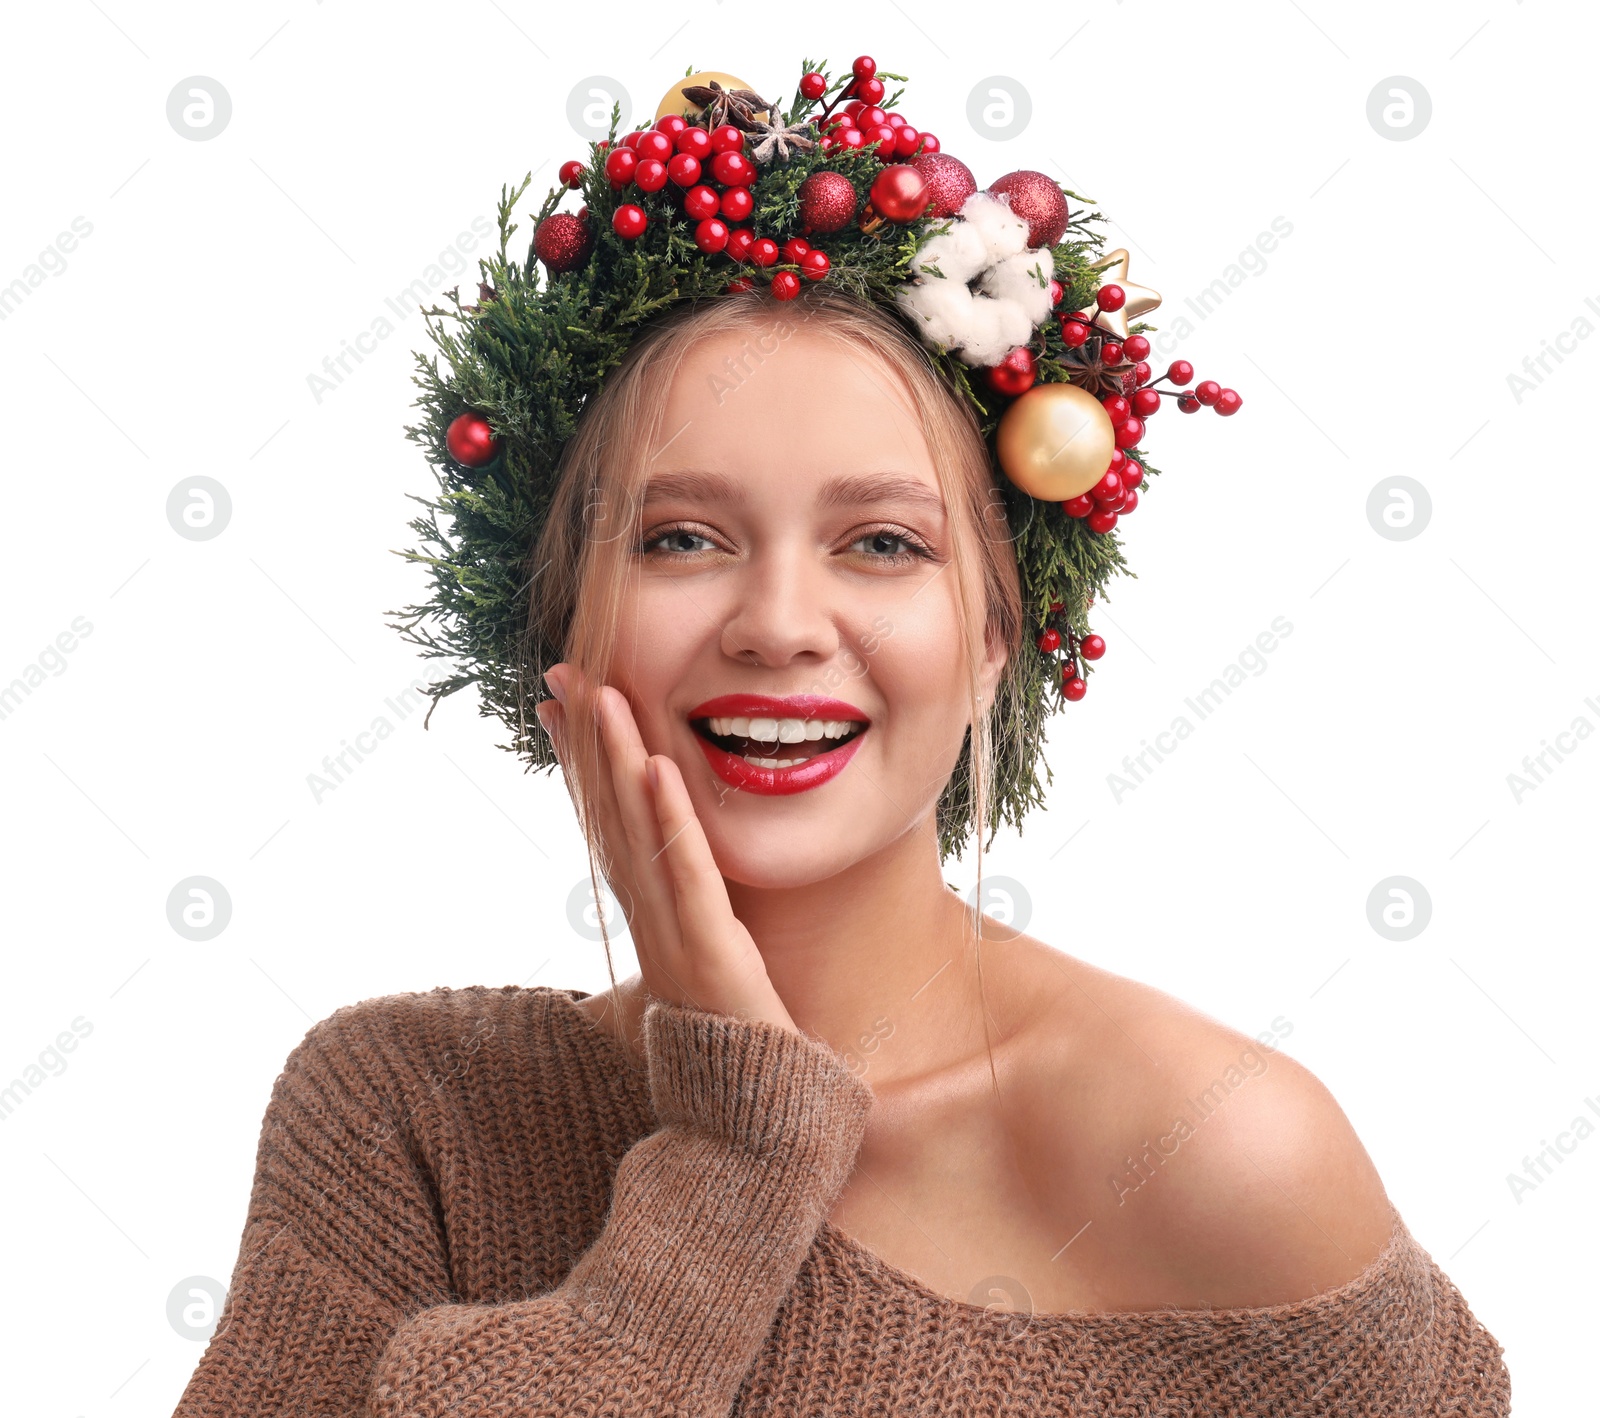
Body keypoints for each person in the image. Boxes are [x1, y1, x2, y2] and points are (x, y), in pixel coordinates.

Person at [171, 57, 1512, 1418]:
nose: (778, 624)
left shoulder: (1217, 1149)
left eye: (882, 543)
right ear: (556, 624)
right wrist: (737, 1154)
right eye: (680, 538)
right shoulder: (412, 1120)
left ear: (998, 640)